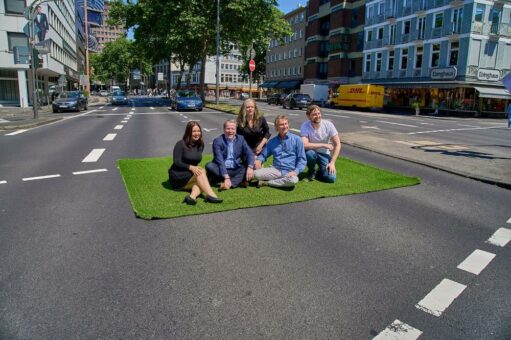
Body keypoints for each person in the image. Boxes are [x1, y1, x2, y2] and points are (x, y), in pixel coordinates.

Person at [168, 121, 222, 205]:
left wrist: (195, 168)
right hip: (178, 175)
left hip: (190, 173)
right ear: (188, 132)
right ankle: (211, 195)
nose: (197, 133)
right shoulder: (180, 144)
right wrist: (191, 167)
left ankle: (191, 197)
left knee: (201, 181)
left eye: (198, 131)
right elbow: (176, 162)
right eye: (194, 131)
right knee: (201, 173)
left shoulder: (200, 144)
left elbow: (195, 161)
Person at [254, 115, 306, 188]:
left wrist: (295, 172)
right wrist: (259, 160)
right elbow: (263, 155)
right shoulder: (272, 142)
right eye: (281, 124)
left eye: (286, 124)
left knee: (293, 180)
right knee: (256, 174)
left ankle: (268, 182)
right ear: (276, 127)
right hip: (275, 170)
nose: (284, 126)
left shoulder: (297, 140)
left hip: (289, 172)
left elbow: (302, 159)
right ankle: (279, 180)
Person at [206, 120, 255, 190]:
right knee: (209, 166)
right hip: (221, 168)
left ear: (236, 130)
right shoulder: (217, 141)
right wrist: (226, 177)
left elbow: (249, 153)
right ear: (224, 129)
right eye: (228, 128)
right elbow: (220, 161)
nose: (230, 131)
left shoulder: (241, 139)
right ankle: (238, 180)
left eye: (233, 129)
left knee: (252, 165)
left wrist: (250, 167)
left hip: (236, 168)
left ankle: (229, 183)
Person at [300, 105, 341, 183]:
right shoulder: (305, 125)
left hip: (324, 154)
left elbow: (338, 144)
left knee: (331, 179)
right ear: (308, 116)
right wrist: (324, 145)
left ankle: (320, 171)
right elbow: (304, 145)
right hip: (312, 152)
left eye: (318, 113)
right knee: (309, 153)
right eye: (314, 114)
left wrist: (332, 163)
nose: (317, 116)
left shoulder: (328, 125)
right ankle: (312, 171)